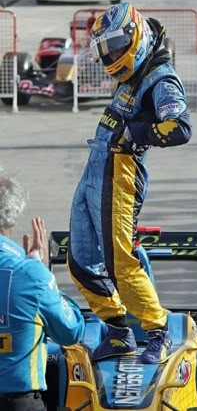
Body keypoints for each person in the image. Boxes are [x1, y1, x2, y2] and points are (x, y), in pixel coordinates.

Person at [68, 2, 192, 365]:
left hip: (120, 175)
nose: (112, 55)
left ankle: (158, 331)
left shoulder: (161, 78)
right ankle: (119, 333)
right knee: (80, 260)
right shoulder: (133, 76)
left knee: (121, 262)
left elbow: (180, 128)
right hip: (96, 171)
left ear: (136, 37)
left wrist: (133, 132)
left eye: (117, 46)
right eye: (105, 50)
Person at [0, 167, 85, 411]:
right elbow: (70, 332)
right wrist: (41, 270)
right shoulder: (30, 275)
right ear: (13, 214)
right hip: (17, 402)